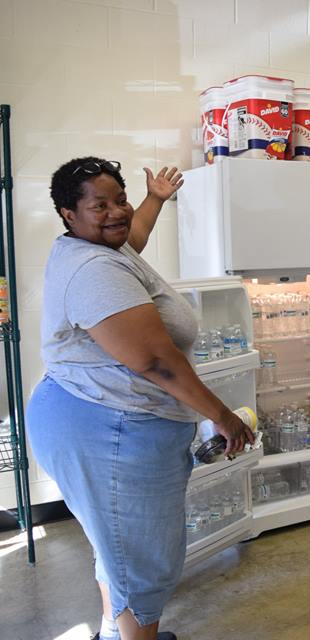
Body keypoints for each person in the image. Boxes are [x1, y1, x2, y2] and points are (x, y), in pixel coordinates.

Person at [26, 157, 256, 640]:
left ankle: (115, 633)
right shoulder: (93, 270)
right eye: (99, 205)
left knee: (117, 546)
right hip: (111, 427)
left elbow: (133, 238)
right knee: (140, 558)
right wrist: (222, 417)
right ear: (68, 212)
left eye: (120, 200)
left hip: (99, 416)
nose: (116, 212)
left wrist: (154, 200)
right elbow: (156, 361)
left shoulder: (102, 248)